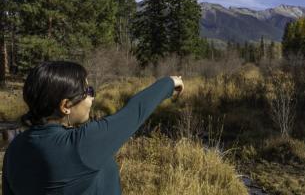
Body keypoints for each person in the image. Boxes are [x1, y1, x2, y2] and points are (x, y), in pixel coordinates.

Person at [2, 61, 184, 195]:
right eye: (88, 92)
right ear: (65, 105)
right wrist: (169, 82)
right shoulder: (79, 145)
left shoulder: (14, 149)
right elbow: (135, 111)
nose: (92, 98)